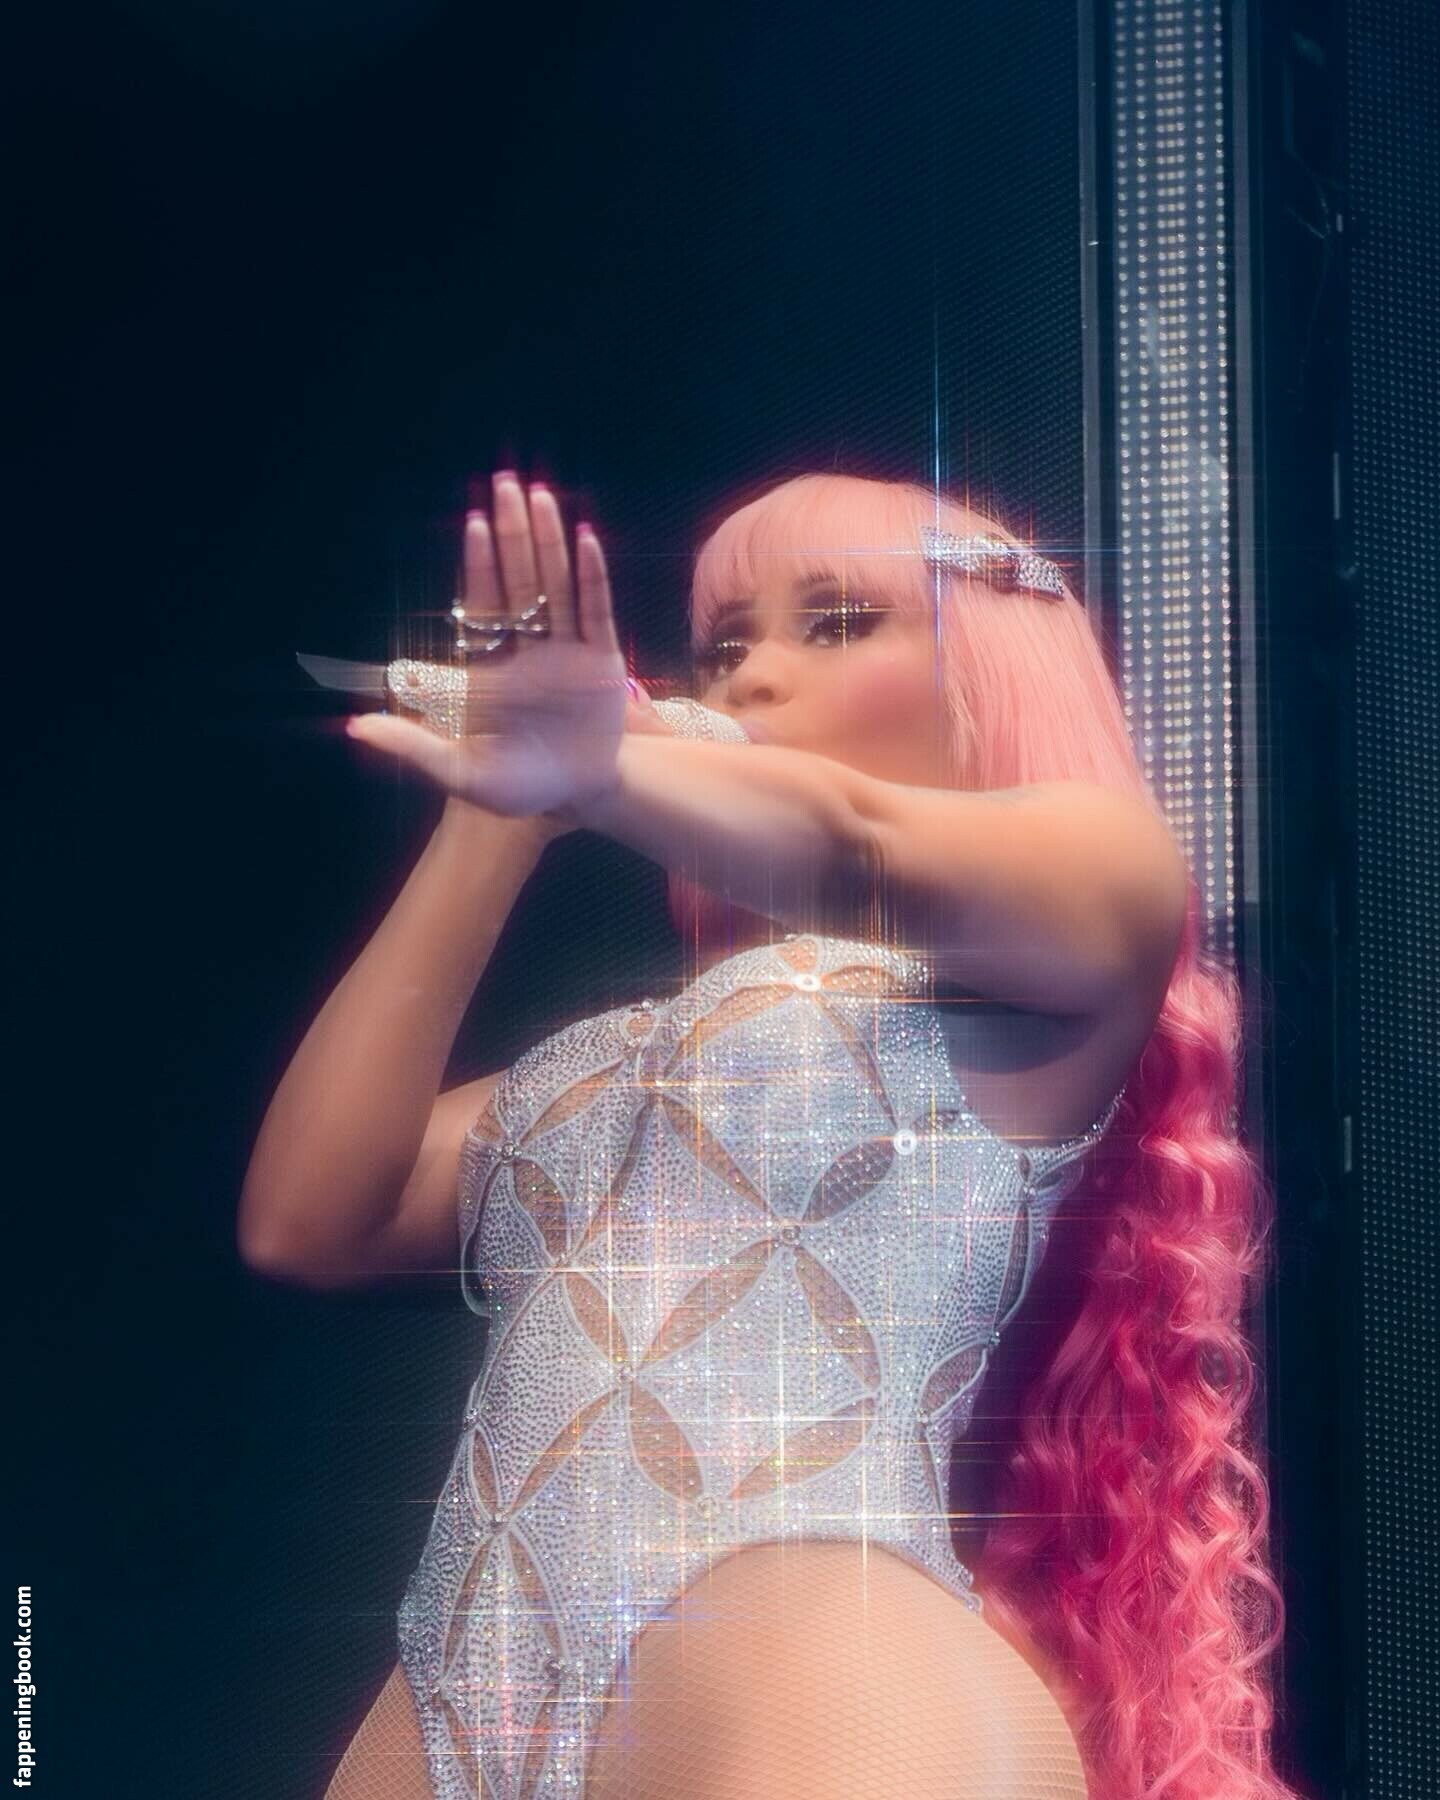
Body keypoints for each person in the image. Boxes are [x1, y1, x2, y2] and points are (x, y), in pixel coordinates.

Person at [239, 470, 1303, 1800]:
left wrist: (604, 767)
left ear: (991, 663)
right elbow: (308, 1220)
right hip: (461, 1690)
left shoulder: (1106, 874)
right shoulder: (612, 1059)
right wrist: (491, 819)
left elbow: (852, 843)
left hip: (808, 1660)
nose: (754, 675)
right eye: (724, 644)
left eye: (840, 622)